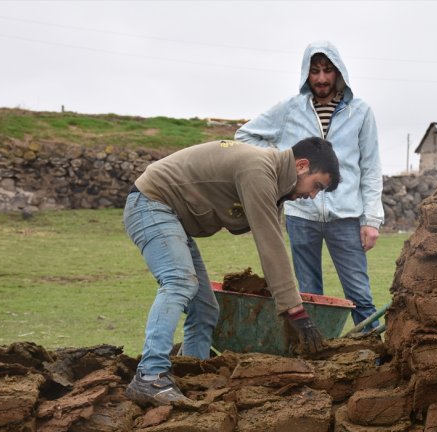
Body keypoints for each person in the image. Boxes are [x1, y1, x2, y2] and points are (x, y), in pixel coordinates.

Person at [123, 137, 340, 406]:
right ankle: (150, 376)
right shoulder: (259, 171)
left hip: (171, 217)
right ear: (302, 165)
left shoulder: (272, 183)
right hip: (151, 205)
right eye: (316, 185)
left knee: (205, 309)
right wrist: (296, 312)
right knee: (179, 282)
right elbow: (270, 244)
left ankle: (192, 376)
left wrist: (290, 305)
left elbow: (274, 241)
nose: (312, 195)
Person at [235, 40, 384, 330]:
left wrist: (372, 219)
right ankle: (317, 359)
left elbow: (371, 167)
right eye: (314, 71)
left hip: (347, 216)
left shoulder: (361, 112)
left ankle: (375, 357)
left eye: (328, 70)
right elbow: (244, 136)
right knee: (309, 295)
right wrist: (280, 165)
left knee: (360, 295)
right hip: (301, 215)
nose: (321, 78)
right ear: (306, 73)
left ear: (339, 71)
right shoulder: (291, 108)